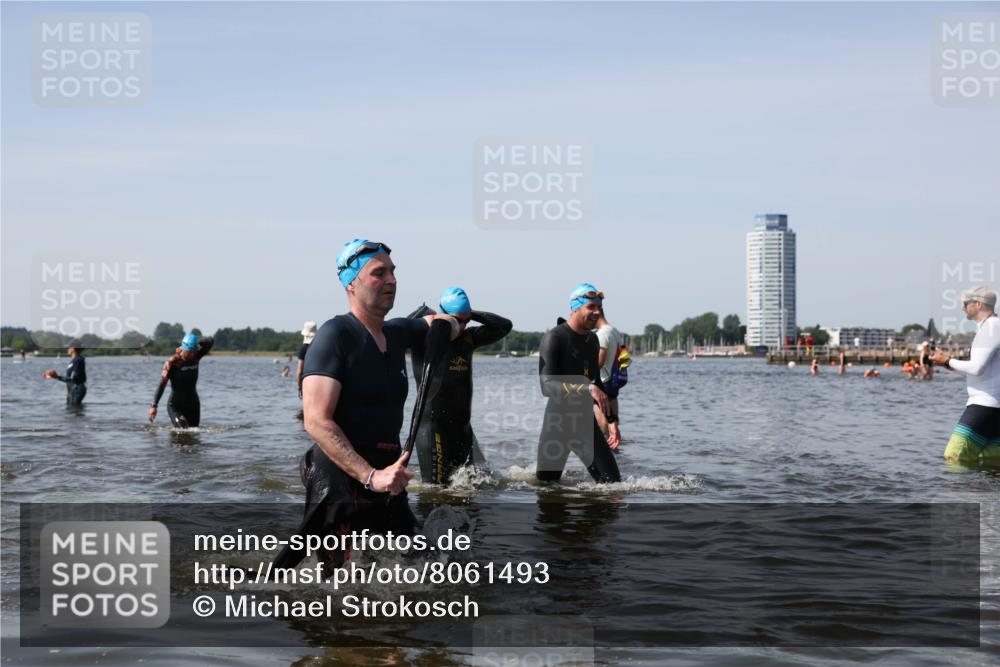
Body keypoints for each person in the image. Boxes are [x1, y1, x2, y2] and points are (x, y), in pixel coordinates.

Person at [273, 239, 459, 574]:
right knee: (330, 587)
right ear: (351, 283)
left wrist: (449, 324)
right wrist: (370, 476)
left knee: (428, 567)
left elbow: (439, 324)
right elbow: (316, 421)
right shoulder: (335, 336)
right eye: (379, 273)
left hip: (388, 475)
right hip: (338, 475)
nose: (392, 280)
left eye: (393, 272)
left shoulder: (398, 332)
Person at [409, 287, 512, 485]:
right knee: (435, 494)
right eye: (458, 320)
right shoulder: (425, 336)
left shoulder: (468, 338)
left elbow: (505, 326)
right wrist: (425, 316)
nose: (463, 326)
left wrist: (471, 314)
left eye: (467, 321)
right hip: (433, 431)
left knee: (473, 492)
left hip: (463, 429)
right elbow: (393, 333)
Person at [536, 283, 622, 484]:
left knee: (613, 487)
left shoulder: (592, 340)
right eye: (591, 307)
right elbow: (546, 386)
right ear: (575, 307)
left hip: (585, 425)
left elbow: (597, 382)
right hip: (557, 426)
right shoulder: (554, 338)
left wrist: (612, 421)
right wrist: (587, 388)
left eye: (598, 307)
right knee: (547, 490)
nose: (596, 312)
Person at [931, 286, 1000, 465]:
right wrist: (950, 365)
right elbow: (988, 370)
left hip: (986, 405)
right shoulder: (994, 325)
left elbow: (977, 368)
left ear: (977, 304)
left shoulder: (991, 327)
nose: (963, 307)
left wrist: (948, 361)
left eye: (965, 303)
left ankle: (961, 494)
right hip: (994, 407)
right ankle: (988, 494)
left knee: (955, 457)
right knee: (993, 462)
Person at [148, 332, 214, 428]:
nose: (192, 354)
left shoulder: (196, 356)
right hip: (175, 405)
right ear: (183, 348)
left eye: (194, 351)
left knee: (194, 433)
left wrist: (196, 343)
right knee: (183, 429)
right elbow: (162, 384)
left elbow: (210, 340)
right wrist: (154, 406)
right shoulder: (173, 362)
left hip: (193, 404)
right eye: (189, 351)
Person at [594, 306, 625, 449]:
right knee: (614, 433)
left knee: (603, 433)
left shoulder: (602, 334)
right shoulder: (615, 332)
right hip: (614, 383)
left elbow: (598, 364)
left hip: (602, 384)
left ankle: (605, 460)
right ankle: (616, 457)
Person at [43, 341, 86, 406]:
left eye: (69, 348)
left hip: (77, 389)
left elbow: (74, 379)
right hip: (73, 389)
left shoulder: (77, 360)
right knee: (71, 410)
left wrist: (56, 376)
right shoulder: (75, 360)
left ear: (73, 349)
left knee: (73, 411)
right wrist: (56, 376)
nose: (67, 349)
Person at [296, 321, 316, 399]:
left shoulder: (303, 349)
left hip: (307, 383)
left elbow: (299, 372)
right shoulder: (321, 348)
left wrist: (300, 387)